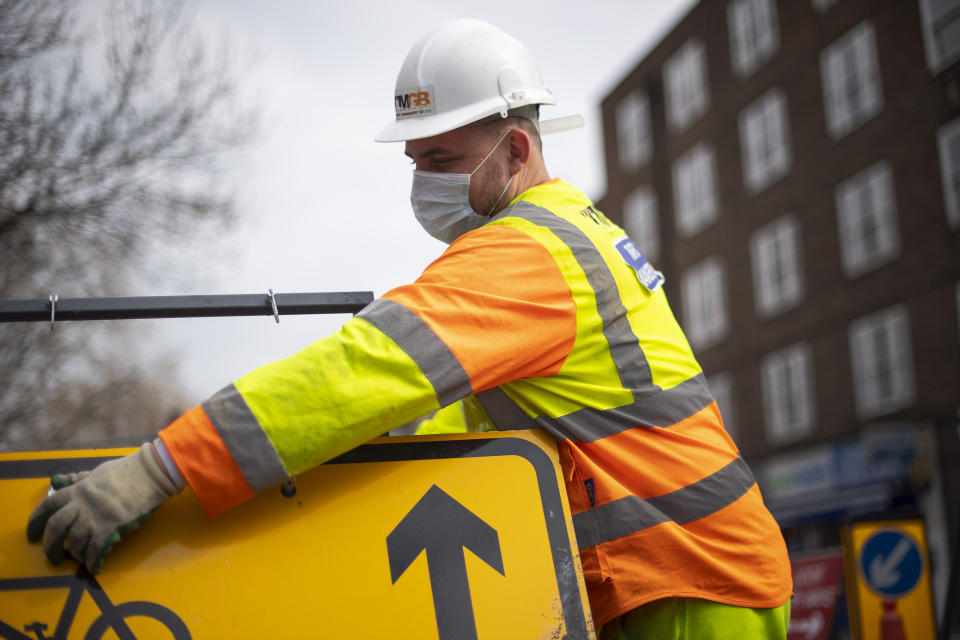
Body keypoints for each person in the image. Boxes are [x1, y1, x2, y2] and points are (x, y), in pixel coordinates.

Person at [26, 19, 793, 638]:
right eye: (416, 161)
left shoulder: (525, 252)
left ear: (516, 149)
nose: (424, 182)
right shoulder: (565, 234)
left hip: (686, 583)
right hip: (695, 573)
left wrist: (156, 473)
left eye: (443, 158)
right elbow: (454, 422)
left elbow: (359, 372)